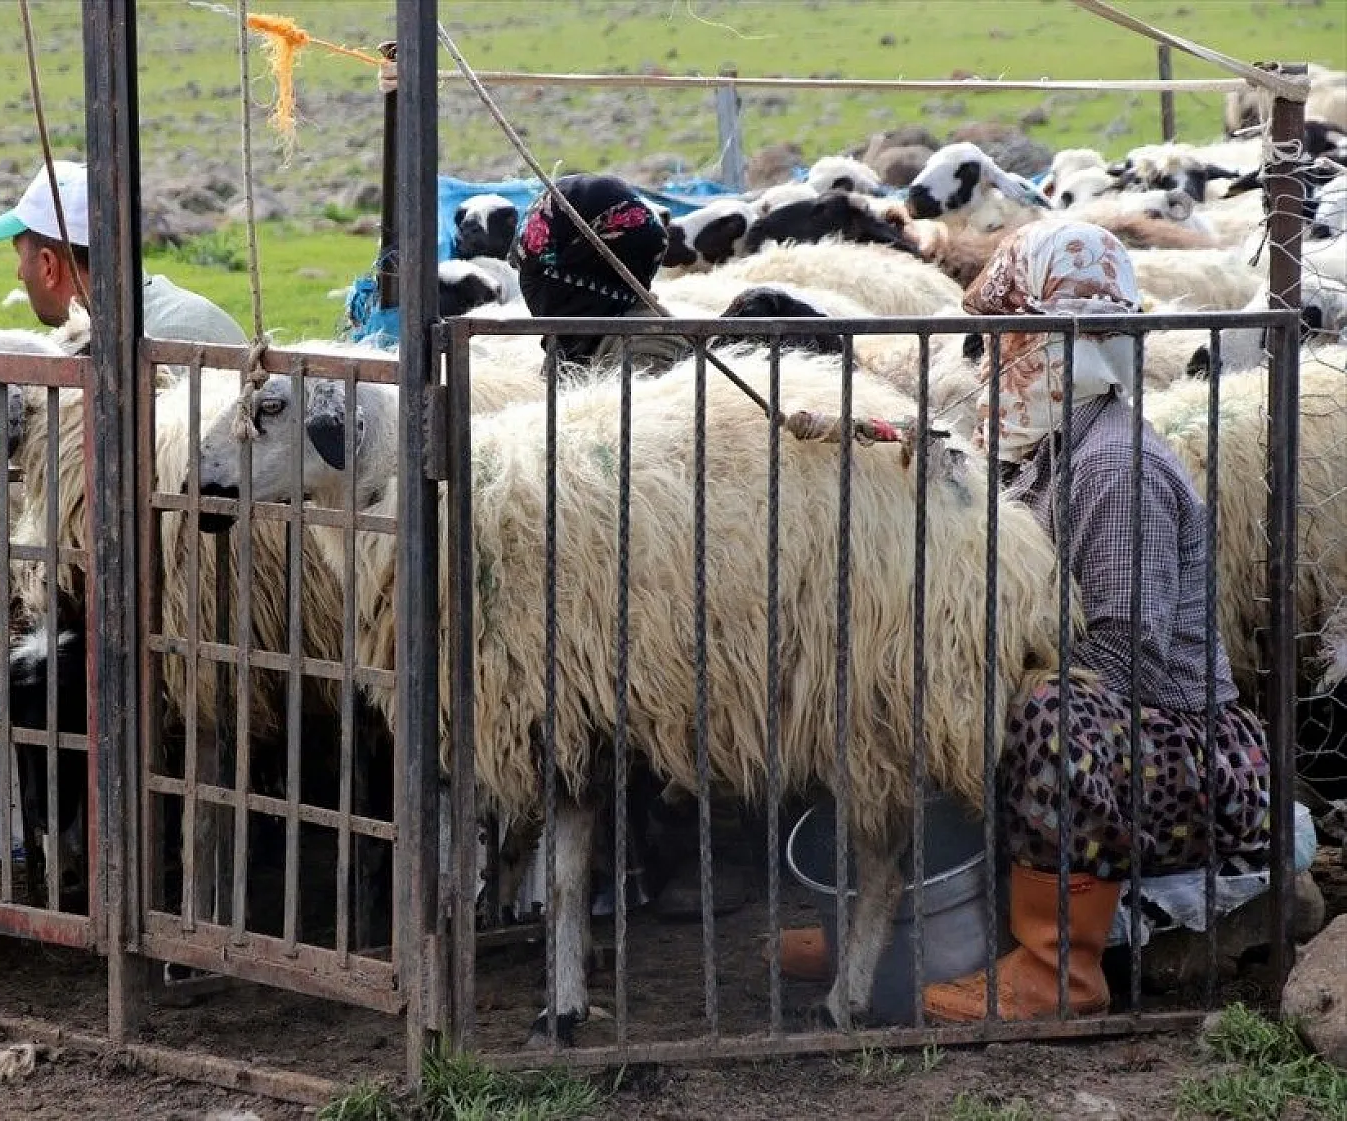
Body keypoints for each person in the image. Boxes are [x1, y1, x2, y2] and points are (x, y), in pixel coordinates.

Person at [777, 219, 1271, 1022]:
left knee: (1047, 716)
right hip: (1127, 739)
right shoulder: (1046, 452)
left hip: (1183, 752)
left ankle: (1059, 968)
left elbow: (1126, 660)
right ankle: (887, 932)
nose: (997, 358)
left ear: (1064, 345)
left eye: (1014, 337)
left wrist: (990, 665)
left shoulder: (1115, 466)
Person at [0, 159, 249, 346]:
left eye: (20, 256)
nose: (19, 273)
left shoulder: (166, 340)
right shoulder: (148, 321)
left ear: (49, 266)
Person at [510, 173, 693, 378]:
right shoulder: (577, 342)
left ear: (590, 268)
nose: (528, 284)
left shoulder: (648, 352)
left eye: (539, 272)